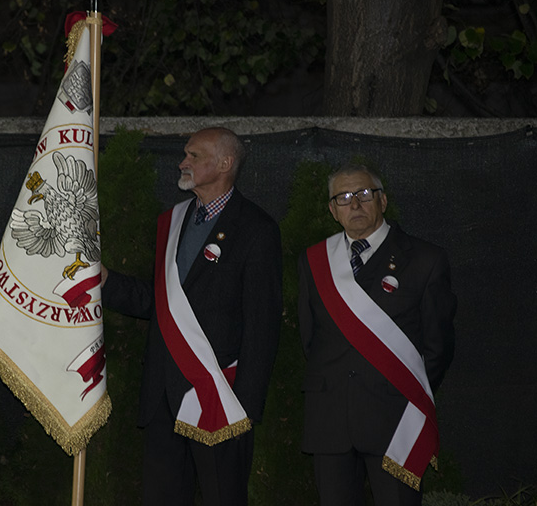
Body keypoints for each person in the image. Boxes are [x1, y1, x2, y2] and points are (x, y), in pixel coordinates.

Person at [101, 127, 282, 506]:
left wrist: (245, 406)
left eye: (194, 155)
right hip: (163, 394)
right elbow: (161, 303)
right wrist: (105, 282)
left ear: (225, 164)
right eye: (185, 154)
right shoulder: (173, 220)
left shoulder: (256, 228)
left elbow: (262, 325)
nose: (183, 162)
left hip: (220, 394)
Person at [298, 164, 456, 506]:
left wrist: (406, 393)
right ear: (332, 210)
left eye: (364, 194)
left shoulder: (426, 260)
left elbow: (438, 346)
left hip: (395, 419)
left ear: (382, 201)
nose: (354, 204)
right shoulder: (313, 261)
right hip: (331, 418)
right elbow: (311, 337)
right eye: (343, 198)